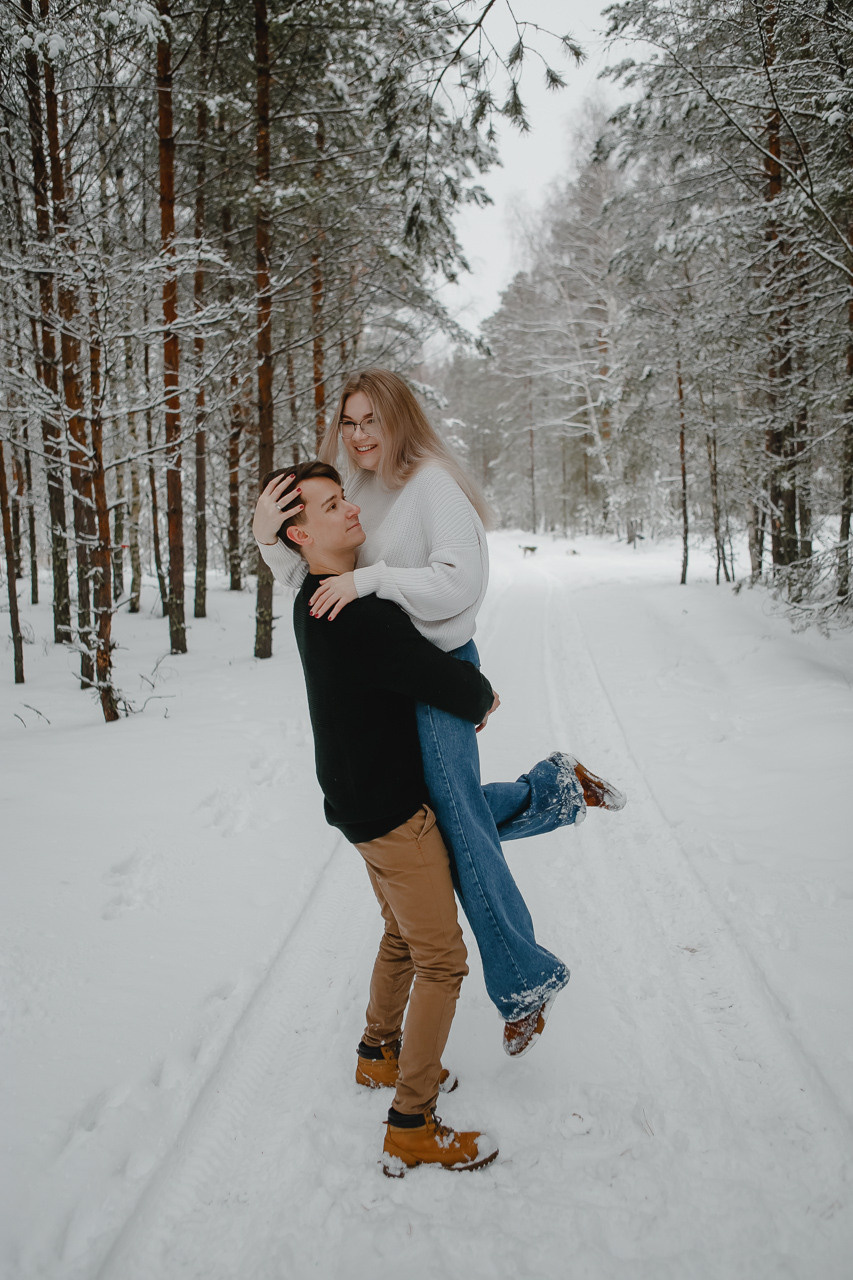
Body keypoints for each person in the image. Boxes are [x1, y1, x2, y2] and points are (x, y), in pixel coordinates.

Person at [253, 369, 626, 1059]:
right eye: (350, 422)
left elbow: (461, 580)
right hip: (394, 676)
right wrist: (268, 539)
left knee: (453, 826)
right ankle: (556, 788)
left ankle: (523, 981)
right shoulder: (354, 485)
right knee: (443, 819)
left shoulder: (429, 483)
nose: (359, 436)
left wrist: (374, 579)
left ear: (400, 420)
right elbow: (318, 573)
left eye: (372, 421)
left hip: (437, 675)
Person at [265, 458, 500, 1176]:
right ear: (300, 533)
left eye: (345, 497)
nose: (351, 511)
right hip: (393, 813)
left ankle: (376, 1053)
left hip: (357, 806)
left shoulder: (313, 594)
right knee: (442, 960)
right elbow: (454, 685)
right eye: (331, 506)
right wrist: (483, 697)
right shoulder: (356, 612)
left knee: (401, 933)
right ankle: (410, 1120)